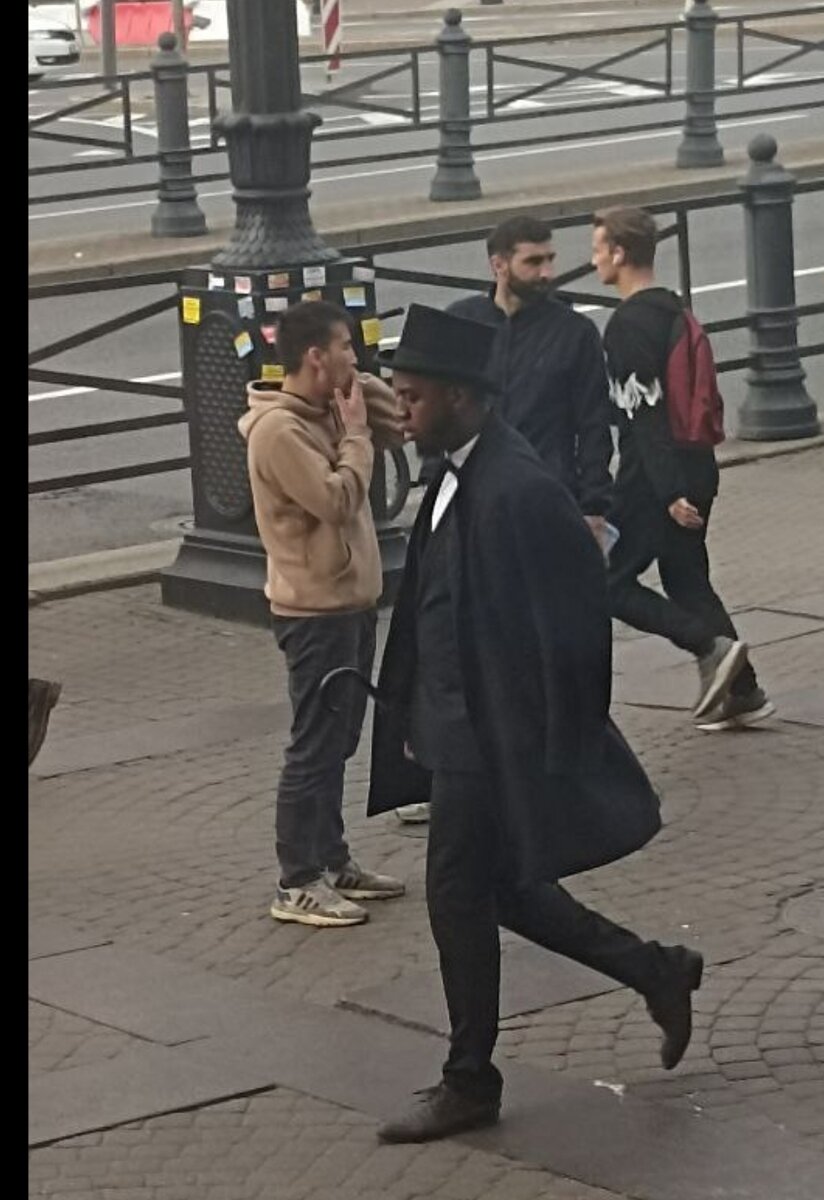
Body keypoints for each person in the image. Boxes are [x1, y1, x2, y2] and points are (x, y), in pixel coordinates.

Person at [365, 304, 703, 1144]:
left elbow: (577, 621)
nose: (401, 411)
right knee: (505, 889)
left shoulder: (519, 488)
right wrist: (416, 708)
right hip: (455, 726)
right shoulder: (454, 472)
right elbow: (435, 602)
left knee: (456, 895)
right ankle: (657, 969)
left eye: (412, 396)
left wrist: (558, 739)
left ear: (462, 396)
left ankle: (469, 1081)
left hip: (489, 738)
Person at [393, 215, 615, 825]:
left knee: (531, 642)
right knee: (458, 630)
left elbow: (593, 423)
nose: (547, 272)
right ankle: (454, 768)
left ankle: (538, 768)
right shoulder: (464, 326)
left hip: (540, 504)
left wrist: (594, 506)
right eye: (532, 261)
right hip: (467, 498)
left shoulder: (572, 333)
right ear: (498, 264)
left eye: (549, 259)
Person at [238, 299, 406, 929]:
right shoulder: (279, 432)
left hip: (350, 603)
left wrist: (359, 392)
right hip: (313, 611)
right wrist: (356, 436)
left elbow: (400, 422)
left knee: (341, 740)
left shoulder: (327, 407)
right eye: (345, 348)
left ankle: (333, 860)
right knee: (314, 745)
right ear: (315, 356)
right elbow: (336, 501)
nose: (354, 357)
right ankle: (297, 880)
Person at [591, 206, 774, 730]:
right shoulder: (674, 308)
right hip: (698, 465)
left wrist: (669, 491)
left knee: (607, 580)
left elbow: (645, 414)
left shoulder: (627, 325)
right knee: (688, 580)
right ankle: (743, 691)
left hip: (653, 478)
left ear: (619, 254)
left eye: (598, 249)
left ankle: (707, 647)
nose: (594, 259)